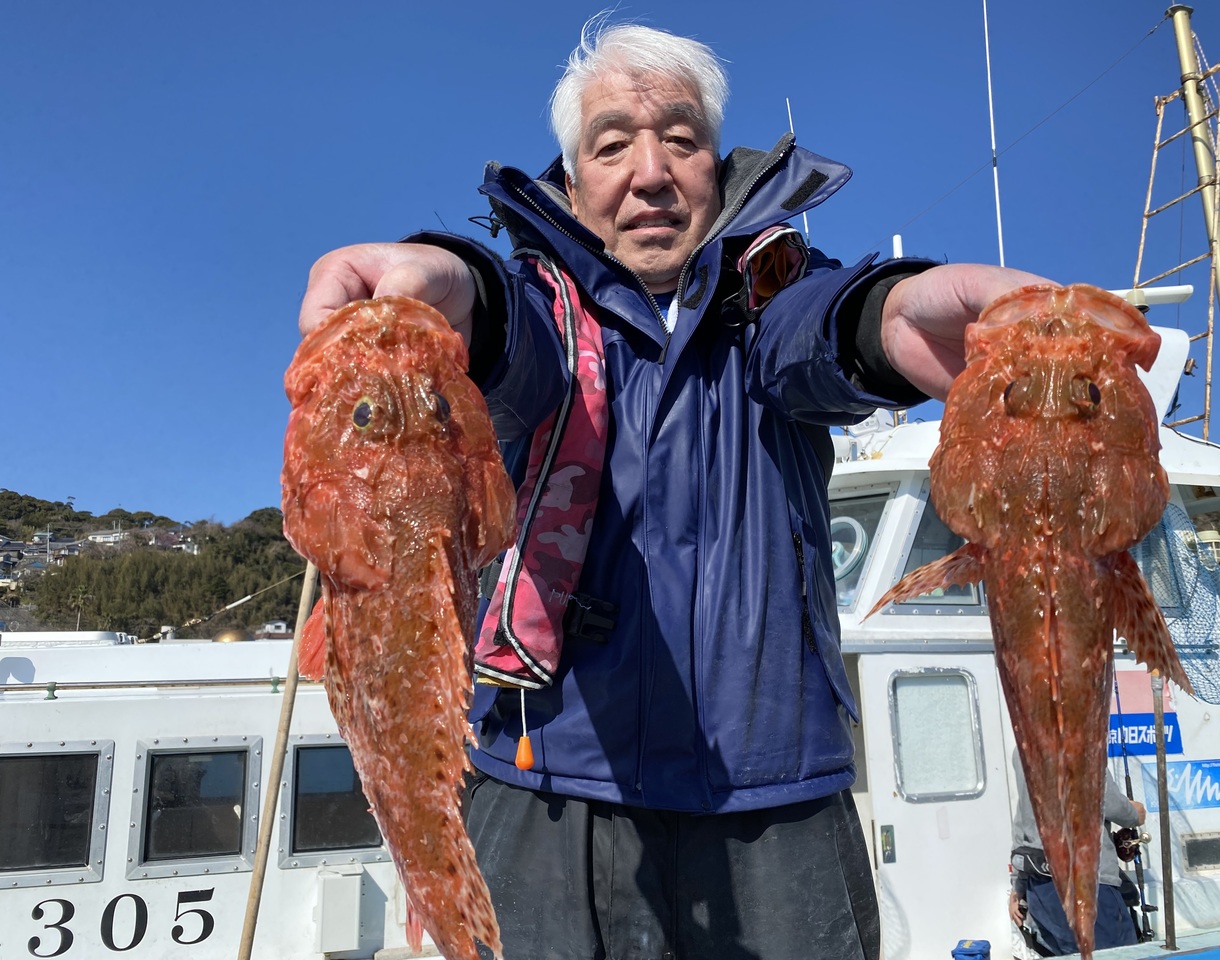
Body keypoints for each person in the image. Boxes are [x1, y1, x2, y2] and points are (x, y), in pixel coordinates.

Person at [298, 18, 1048, 960]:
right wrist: (457, 291)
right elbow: (506, 336)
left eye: (682, 140)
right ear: (573, 183)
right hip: (539, 789)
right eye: (612, 145)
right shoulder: (538, 312)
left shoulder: (773, 298)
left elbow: (819, 329)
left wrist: (890, 318)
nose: (649, 172)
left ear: (718, 171)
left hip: (776, 805)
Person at [1008, 751, 1147, 956]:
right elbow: (1109, 803)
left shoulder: (1023, 747)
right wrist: (1135, 813)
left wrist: (1018, 885)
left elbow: (1023, 819)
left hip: (1040, 889)